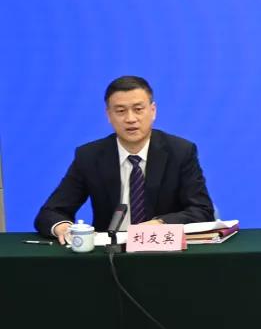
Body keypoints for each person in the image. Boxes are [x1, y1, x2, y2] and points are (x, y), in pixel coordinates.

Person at [34, 76, 215, 243]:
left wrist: (161, 223)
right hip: (110, 254)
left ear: (153, 111)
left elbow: (202, 211)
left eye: (138, 109)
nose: (130, 119)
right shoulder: (90, 156)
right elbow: (51, 212)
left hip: (163, 250)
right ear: (109, 115)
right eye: (120, 111)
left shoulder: (180, 152)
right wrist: (63, 227)